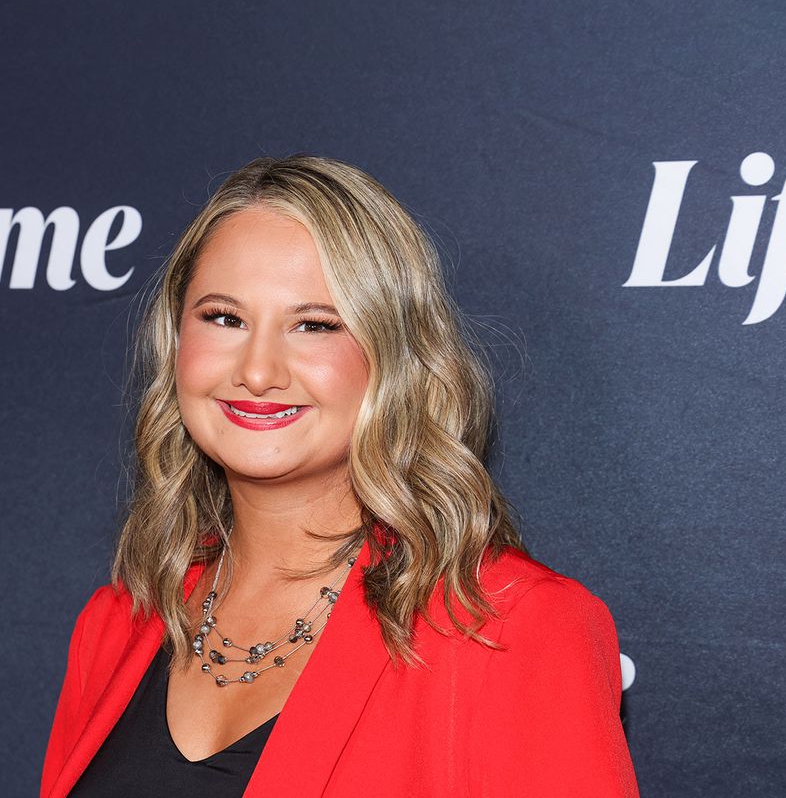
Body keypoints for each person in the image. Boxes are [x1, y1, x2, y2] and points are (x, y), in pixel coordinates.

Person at [41, 155, 639, 797]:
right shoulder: (117, 623)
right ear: (176, 342)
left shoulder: (514, 627)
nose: (259, 370)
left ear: (395, 359)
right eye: (224, 318)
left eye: (314, 325)